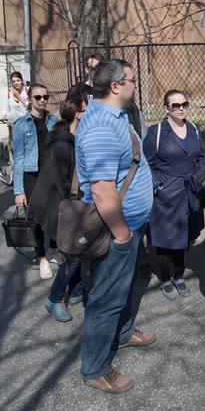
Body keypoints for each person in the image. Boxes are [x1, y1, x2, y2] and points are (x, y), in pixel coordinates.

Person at [75, 59, 156, 393]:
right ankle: (95, 368)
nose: (137, 84)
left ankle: (122, 335)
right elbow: (102, 190)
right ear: (115, 86)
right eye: (133, 80)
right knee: (106, 300)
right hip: (116, 231)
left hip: (132, 226)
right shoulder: (101, 128)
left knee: (129, 286)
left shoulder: (117, 115)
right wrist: (122, 234)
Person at [141, 90, 205, 299]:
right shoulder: (156, 132)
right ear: (166, 108)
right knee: (165, 241)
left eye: (184, 104)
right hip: (167, 195)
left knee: (185, 238)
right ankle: (166, 279)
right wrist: (158, 186)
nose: (181, 109)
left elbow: (200, 157)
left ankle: (179, 276)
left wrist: (202, 178)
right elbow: (147, 164)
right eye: (175, 105)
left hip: (190, 193)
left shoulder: (194, 128)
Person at [36, 96, 86, 322]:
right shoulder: (62, 144)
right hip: (59, 208)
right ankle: (54, 299)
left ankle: (75, 292)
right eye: (86, 110)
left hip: (67, 206)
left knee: (80, 252)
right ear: (78, 114)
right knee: (73, 256)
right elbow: (61, 183)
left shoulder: (70, 139)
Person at [12, 83, 59, 279]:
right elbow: (19, 158)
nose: (42, 101)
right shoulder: (22, 124)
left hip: (52, 174)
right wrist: (19, 190)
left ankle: (55, 249)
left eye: (45, 97)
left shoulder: (53, 120)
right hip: (32, 175)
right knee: (36, 217)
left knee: (55, 213)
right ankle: (41, 257)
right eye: (38, 97)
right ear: (30, 99)